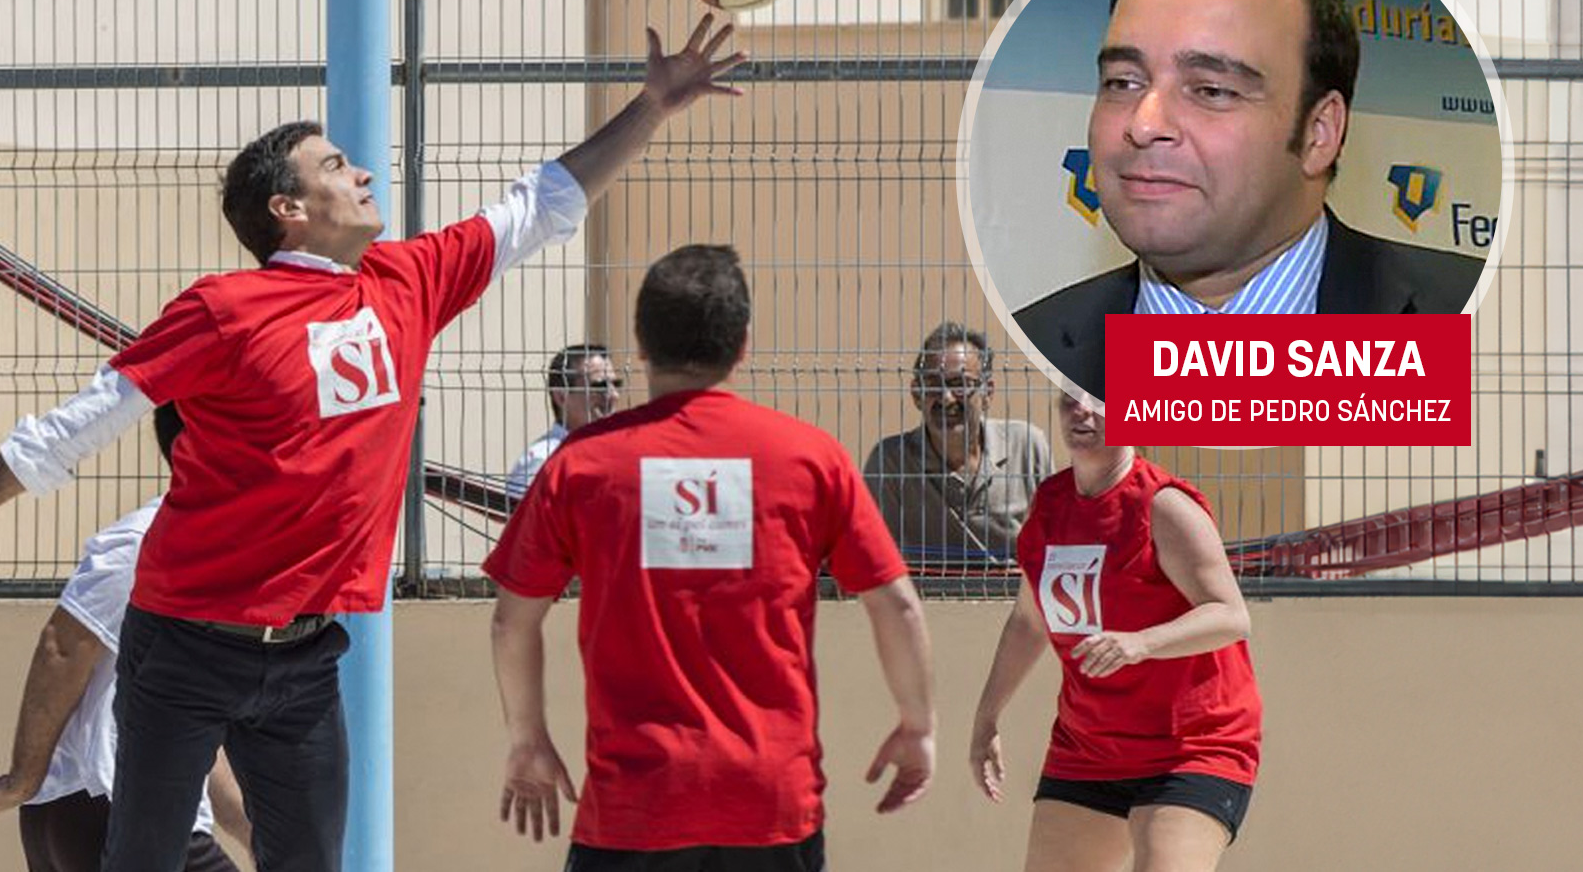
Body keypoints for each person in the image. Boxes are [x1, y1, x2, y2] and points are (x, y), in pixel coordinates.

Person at [0, 13, 748, 872]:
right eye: (337, 165)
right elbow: (95, 411)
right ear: (290, 210)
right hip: (186, 638)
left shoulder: (409, 280)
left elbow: (542, 205)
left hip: (304, 655)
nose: (365, 170)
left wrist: (652, 106)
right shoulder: (226, 307)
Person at [484, 244, 936, 871]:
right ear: (743, 343)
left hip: (633, 808)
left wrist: (528, 740)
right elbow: (898, 607)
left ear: (640, 345)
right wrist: (918, 725)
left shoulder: (582, 465)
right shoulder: (809, 458)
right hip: (772, 802)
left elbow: (513, 620)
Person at [1013, 0, 1486, 401]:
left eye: (1211, 90)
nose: (1144, 123)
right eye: (1122, 82)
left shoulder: (1471, 329)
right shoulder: (1033, 349)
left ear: (1318, 133)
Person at [0, 404, 252, 872]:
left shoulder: (221, 549)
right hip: (104, 804)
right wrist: (23, 779)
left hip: (93, 813)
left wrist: (250, 830)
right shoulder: (148, 539)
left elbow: (198, 726)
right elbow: (61, 647)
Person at [968, 393, 1261, 872]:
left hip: (1191, 747)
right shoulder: (1051, 504)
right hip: (1089, 748)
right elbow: (1028, 621)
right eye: (1069, 398)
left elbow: (1229, 615)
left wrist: (1141, 642)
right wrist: (986, 717)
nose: (1083, 409)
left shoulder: (1164, 506)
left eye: (1102, 399)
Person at [863, 322, 1051, 569]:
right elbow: (872, 557)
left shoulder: (1026, 447)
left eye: (959, 384)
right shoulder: (891, 463)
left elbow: (1055, 544)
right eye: (933, 384)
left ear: (988, 393)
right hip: (927, 602)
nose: (946, 397)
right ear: (916, 395)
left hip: (1013, 600)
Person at [505, 343, 622, 499]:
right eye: (599, 386)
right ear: (561, 397)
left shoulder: (618, 450)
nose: (614, 395)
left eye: (616, 384)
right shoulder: (543, 460)